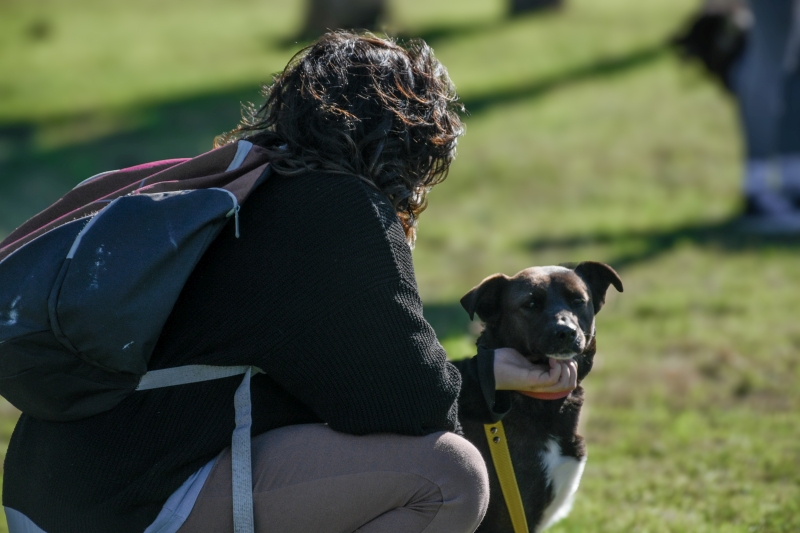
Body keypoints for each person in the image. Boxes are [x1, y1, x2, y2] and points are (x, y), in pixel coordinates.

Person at [2, 32, 577, 533]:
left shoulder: (245, 180)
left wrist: (484, 376)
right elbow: (414, 405)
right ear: (409, 147)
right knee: (450, 476)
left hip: (51, 492)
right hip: (129, 507)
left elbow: (342, 378)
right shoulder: (340, 207)